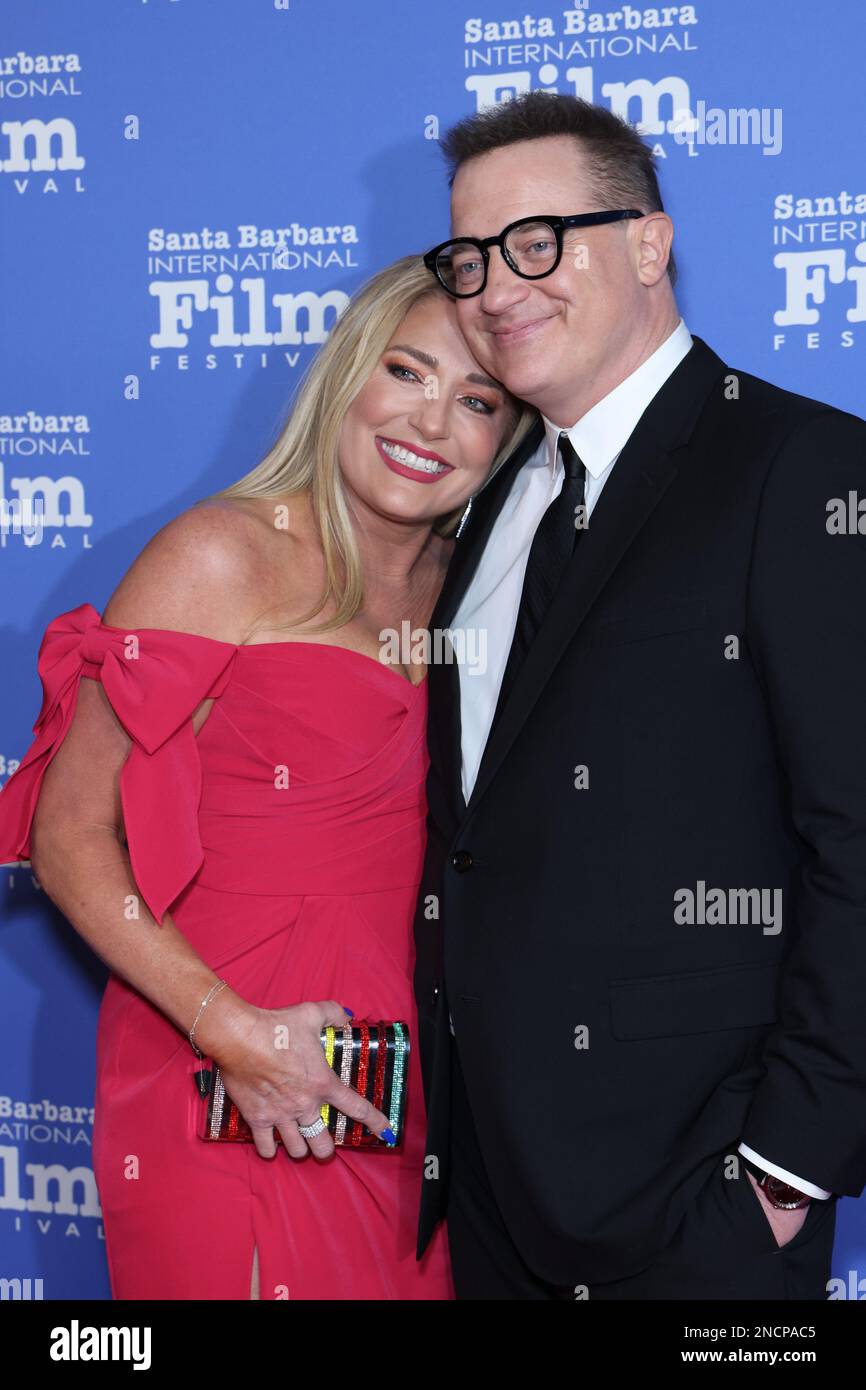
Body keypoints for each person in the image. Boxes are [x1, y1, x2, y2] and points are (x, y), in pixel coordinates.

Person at [0, 255, 534, 1300]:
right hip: (222, 1071)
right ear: (345, 375)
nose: (430, 422)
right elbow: (67, 838)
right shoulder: (220, 555)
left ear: (507, 438)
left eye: (476, 400)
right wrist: (233, 1033)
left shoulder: (472, 592)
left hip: (400, 1088)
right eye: (405, 371)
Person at [413, 91, 866, 1300]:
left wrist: (782, 1173)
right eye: (466, 257)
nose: (495, 288)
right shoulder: (491, 503)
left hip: (698, 1206)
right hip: (491, 1198)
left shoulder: (802, 469)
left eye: (535, 241)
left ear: (650, 244)